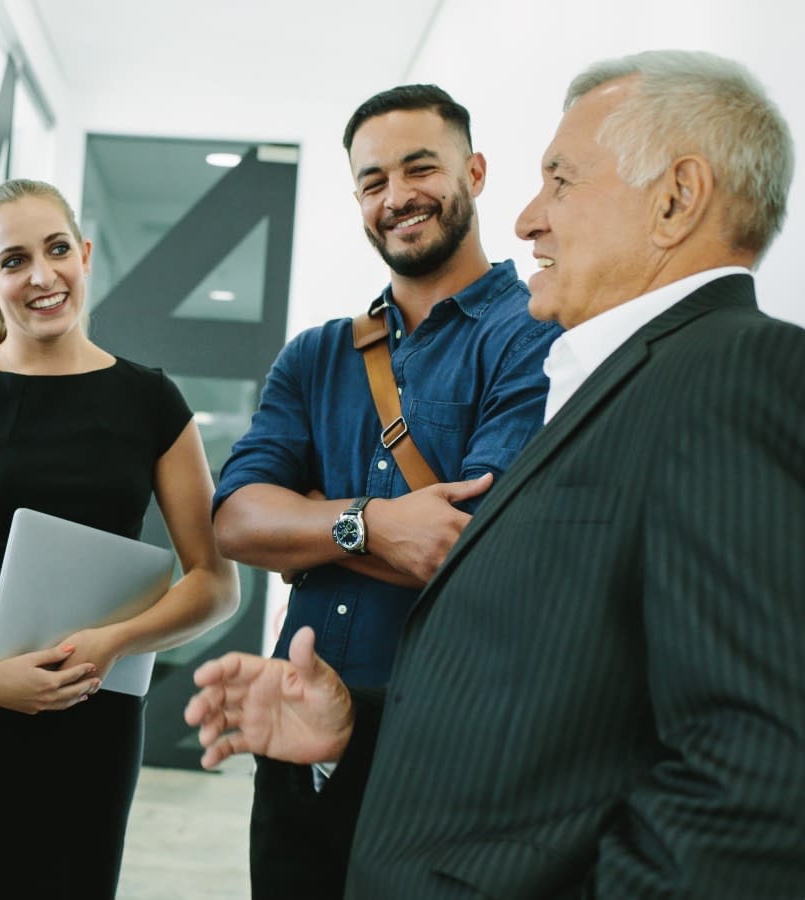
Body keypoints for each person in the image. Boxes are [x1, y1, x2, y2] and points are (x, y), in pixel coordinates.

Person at [186, 49, 805, 898]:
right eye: (372, 180)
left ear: (675, 198)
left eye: (561, 180)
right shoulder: (620, 374)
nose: (527, 218)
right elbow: (553, 679)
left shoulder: (745, 373)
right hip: (347, 768)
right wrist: (354, 716)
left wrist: (314, 527)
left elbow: (777, 777)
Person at [209, 84, 558, 895]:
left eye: (419, 168)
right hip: (294, 730)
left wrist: (306, 534)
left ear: (474, 171)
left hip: (450, 746)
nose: (396, 197)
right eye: (373, 181)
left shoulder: (535, 334)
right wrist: (372, 526)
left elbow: (469, 547)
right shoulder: (315, 355)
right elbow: (234, 521)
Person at [0, 178, 240, 899]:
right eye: (14, 261)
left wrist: (114, 643)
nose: (43, 275)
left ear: (86, 255)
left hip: (95, 712)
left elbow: (214, 583)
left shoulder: (151, 401)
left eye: (57, 250)